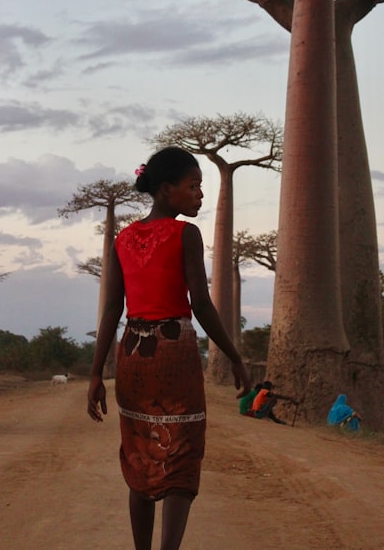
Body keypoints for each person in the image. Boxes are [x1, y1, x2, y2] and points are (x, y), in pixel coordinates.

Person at [87, 146, 250, 550]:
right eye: (193, 186)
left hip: (132, 354)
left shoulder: (124, 238)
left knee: (141, 454)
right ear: (166, 189)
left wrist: (95, 374)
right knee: (180, 454)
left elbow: (111, 308)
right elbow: (201, 304)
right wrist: (234, 356)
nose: (200, 195)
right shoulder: (185, 234)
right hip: (173, 353)